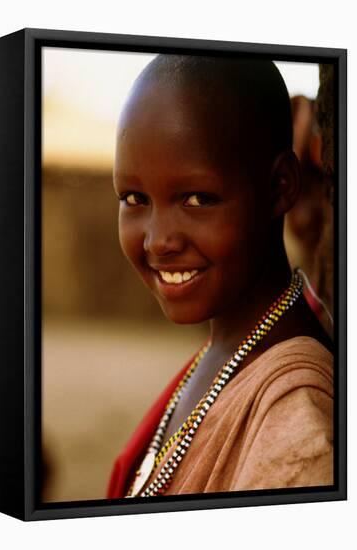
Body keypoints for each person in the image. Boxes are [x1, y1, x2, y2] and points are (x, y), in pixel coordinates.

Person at [107, 55, 334, 499]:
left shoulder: (295, 427)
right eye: (134, 197)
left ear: (280, 186)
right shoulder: (227, 347)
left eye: (196, 198)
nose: (158, 240)